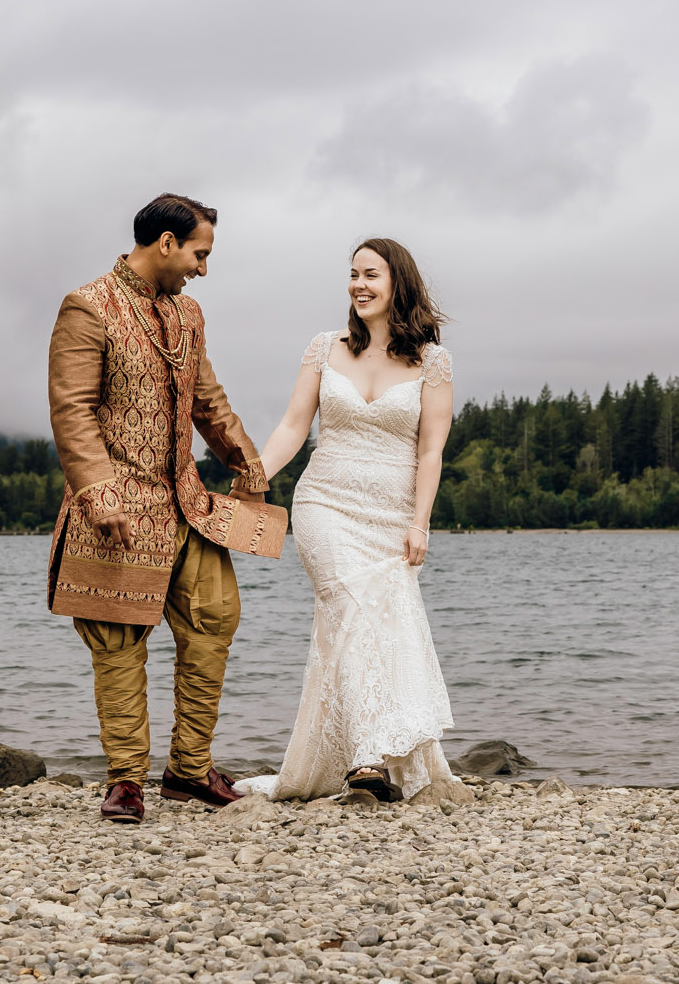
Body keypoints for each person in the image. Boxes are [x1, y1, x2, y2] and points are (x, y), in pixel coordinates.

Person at [45, 192, 285, 824]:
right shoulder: (87, 306)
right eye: (199, 254)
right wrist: (97, 492)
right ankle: (126, 782)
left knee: (215, 620)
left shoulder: (188, 314)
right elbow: (71, 411)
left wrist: (248, 467)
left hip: (187, 502)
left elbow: (208, 399)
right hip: (118, 508)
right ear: (167, 243)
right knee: (118, 639)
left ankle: (188, 770)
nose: (203, 269)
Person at [239, 237, 459, 802]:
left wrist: (420, 521)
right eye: (353, 275)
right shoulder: (323, 348)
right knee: (347, 606)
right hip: (325, 504)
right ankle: (366, 760)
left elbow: (431, 451)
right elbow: (293, 426)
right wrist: (255, 473)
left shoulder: (433, 361)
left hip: (390, 515)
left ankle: (379, 751)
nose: (358, 285)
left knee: (381, 626)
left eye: (371, 275)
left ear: (397, 284)